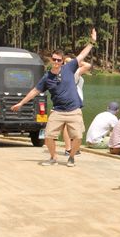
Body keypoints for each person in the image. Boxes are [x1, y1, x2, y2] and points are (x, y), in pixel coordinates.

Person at [11, 28, 97, 167]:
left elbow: (82, 55)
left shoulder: (69, 68)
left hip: (74, 110)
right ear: (51, 60)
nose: (56, 62)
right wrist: (21, 103)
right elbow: (34, 91)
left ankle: (71, 157)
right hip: (58, 111)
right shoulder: (47, 77)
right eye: (54, 59)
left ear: (63, 61)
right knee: (48, 137)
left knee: (78, 137)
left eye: (59, 60)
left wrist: (92, 42)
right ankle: (53, 157)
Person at [62, 56, 92, 155]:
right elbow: (87, 65)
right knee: (69, 126)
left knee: (74, 126)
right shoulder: (73, 73)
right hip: (72, 102)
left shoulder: (67, 73)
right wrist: (75, 61)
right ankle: (69, 148)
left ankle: (72, 148)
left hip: (73, 102)